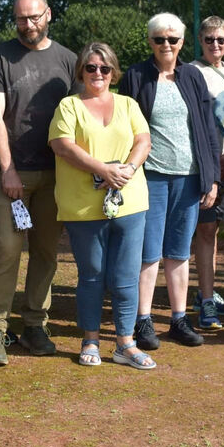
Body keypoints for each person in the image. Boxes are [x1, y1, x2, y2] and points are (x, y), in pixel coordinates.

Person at [0, 0, 79, 366]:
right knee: (6, 249)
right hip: (11, 174)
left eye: (34, 16)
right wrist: (7, 170)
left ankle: (35, 323)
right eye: (21, 18)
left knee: (45, 252)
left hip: (56, 176)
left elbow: (79, 117)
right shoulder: (0, 57)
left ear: (48, 14)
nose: (27, 24)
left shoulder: (69, 60)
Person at [49, 43, 156, 370]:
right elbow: (61, 145)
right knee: (92, 276)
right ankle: (90, 340)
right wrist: (102, 169)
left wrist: (129, 168)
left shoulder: (128, 104)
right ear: (81, 71)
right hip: (84, 208)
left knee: (125, 277)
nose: (98, 74)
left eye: (104, 68)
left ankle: (125, 343)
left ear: (114, 72)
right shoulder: (69, 106)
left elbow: (143, 140)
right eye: (91, 68)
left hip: (130, 202)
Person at [120, 13, 221, 350]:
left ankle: (178, 318)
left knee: (179, 251)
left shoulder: (192, 76)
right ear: (150, 41)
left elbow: (208, 130)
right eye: (159, 39)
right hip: (149, 178)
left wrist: (212, 179)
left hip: (189, 178)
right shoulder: (136, 76)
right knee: (148, 252)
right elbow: (124, 128)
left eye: (173, 39)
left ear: (181, 42)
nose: (166, 45)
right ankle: (143, 320)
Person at [190, 15, 224, 330]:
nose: (215, 45)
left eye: (221, 39)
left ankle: (205, 291)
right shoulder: (191, 73)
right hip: (199, 165)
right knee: (202, 230)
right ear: (200, 41)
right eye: (209, 40)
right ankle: (206, 300)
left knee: (213, 229)